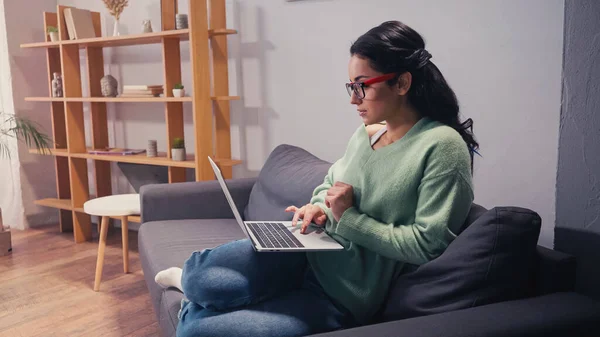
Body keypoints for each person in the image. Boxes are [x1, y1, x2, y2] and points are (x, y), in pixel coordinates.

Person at [155, 20, 477, 337]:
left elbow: (428, 245)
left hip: (340, 296)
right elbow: (331, 181)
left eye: (362, 85)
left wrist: (349, 219)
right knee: (198, 277)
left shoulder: (443, 147)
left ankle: (201, 306)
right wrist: (317, 207)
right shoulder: (368, 132)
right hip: (305, 250)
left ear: (402, 83)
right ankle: (196, 290)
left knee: (196, 331)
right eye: (351, 86)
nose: (354, 99)